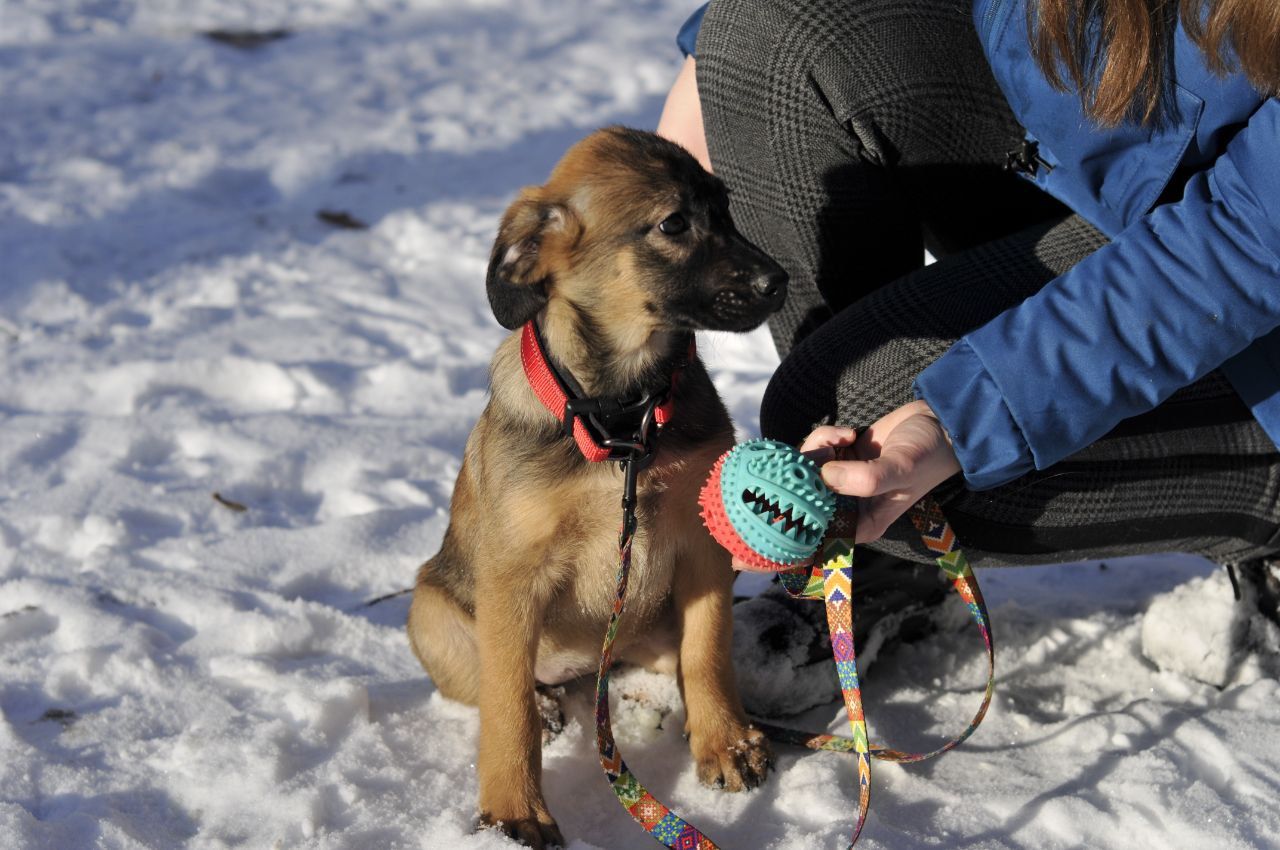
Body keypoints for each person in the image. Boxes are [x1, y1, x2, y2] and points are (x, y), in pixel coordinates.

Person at [656, 0, 1280, 646]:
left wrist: (964, 416)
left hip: (1247, 290)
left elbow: (1246, 243)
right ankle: (876, 569)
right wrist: (721, 56)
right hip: (1129, 155)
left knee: (860, 422)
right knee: (771, 40)